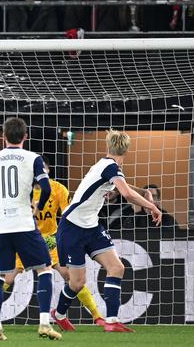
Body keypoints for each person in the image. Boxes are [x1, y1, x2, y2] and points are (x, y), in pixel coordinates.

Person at [0, 155, 105, 326]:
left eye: (43, 169)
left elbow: (68, 216)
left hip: (50, 240)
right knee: (7, 278)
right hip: (24, 238)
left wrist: (58, 238)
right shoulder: (23, 189)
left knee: (70, 276)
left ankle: (96, 316)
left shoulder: (58, 189)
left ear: (47, 171)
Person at [52, 129, 162, 333]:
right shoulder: (110, 167)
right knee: (77, 283)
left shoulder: (108, 166)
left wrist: (144, 192)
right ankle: (58, 314)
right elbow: (126, 193)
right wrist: (152, 206)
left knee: (117, 268)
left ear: (108, 147)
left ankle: (111, 321)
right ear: (127, 150)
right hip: (72, 227)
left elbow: (123, 186)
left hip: (91, 227)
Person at [0, 117, 61, 341]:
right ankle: (44, 324)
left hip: (0, 224)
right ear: (25, 137)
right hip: (23, 222)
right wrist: (37, 207)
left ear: (3, 136)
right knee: (45, 269)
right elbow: (47, 188)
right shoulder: (33, 158)